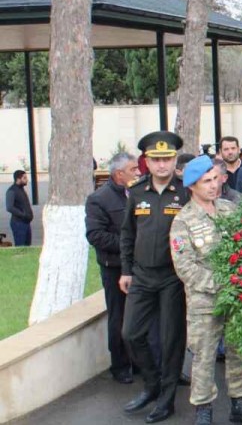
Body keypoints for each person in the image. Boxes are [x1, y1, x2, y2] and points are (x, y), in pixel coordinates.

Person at [169, 157, 242, 425]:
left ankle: (240, 404)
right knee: (204, 357)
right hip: (205, 302)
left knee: (239, 352)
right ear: (192, 186)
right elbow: (185, 268)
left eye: (216, 179)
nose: (214, 186)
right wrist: (224, 284)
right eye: (206, 182)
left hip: (237, 299)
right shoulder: (183, 221)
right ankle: (203, 410)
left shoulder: (229, 210)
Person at [120, 131, 190, 423]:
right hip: (142, 276)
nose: (162, 165)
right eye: (156, 160)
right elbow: (128, 232)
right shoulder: (136, 192)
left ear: (175, 161)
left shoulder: (186, 191)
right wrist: (125, 270)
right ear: (146, 162)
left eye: (168, 159)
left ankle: (167, 399)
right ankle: (152, 384)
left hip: (173, 277)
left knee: (172, 339)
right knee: (131, 334)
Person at [85, 152, 141, 384]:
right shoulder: (99, 199)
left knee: (140, 317)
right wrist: (130, 246)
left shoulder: (139, 194)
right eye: (133, 169)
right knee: (118, 316)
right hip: (115, 268)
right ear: (119, 174)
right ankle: (119, 364)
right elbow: (95, 235)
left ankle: (140, 361)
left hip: (141, 267)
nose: (139, 172)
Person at [5, 170, 32, 246]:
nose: (27, 179)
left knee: (27, 246)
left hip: (26, 222)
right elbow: (9, 207)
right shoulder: (12, 191)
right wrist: (23, 215)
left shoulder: (21, 189)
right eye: (24, 178)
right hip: (18, 223)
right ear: (18, 179)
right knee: (21, 246)